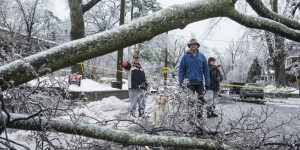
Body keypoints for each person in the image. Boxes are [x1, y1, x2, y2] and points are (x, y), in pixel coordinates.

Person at [179, 39, 210, 118]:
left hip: (199, 82)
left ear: (197, 46)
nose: (193, 46)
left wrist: (207, 83)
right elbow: (181, 70)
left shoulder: (202, 56)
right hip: (189, 83)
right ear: (189, 46)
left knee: (201, 100)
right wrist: (181, 82)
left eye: (195, 44)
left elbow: (206, 71)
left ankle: (200, 115)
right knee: (190, 101)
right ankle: (191, 115)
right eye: (191, 45)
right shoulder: (185, 57)